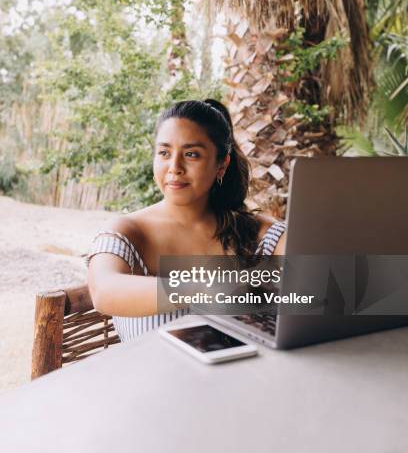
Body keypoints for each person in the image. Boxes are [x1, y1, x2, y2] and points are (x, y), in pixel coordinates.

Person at [87, 99, 286, 341]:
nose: (175, 167)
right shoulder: (127, 232)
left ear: (222, 164)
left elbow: (322, 278)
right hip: (153, 377)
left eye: (191, 154)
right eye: (164, 153)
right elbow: (103, 291)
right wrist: (208, 287)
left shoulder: (259, 233)